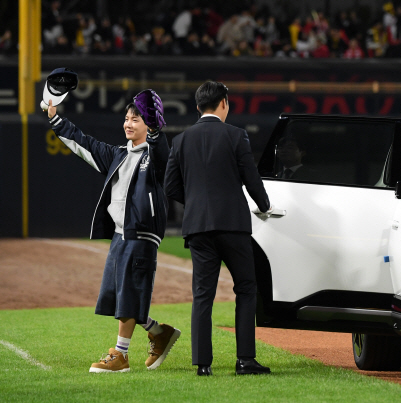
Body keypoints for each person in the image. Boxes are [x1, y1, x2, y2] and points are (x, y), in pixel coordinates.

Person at [44, 90, 180, 373]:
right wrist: (57, 120)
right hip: (120, 235)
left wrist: (155, 132)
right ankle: (157, 331)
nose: (128, 123)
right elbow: (85, 144)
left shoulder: (156, 157)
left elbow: (163, 157)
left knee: (128, 294)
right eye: (127, 118)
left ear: (150, 124)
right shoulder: (118, 154)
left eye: (136, 119)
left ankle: (120, 355)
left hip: (141, 234)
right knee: (119, 294)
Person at [164, 81, 272, 376]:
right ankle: (245, 360)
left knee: (202, 295)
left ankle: (203, 364)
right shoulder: (236, 135)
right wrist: (264, 205)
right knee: (247, 289)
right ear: (224, 103)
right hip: (233, 225)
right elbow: (251, 178)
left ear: (198, 107)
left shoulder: (180, 140)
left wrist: (197, 202)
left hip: (198, 227)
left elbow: (170, 186)